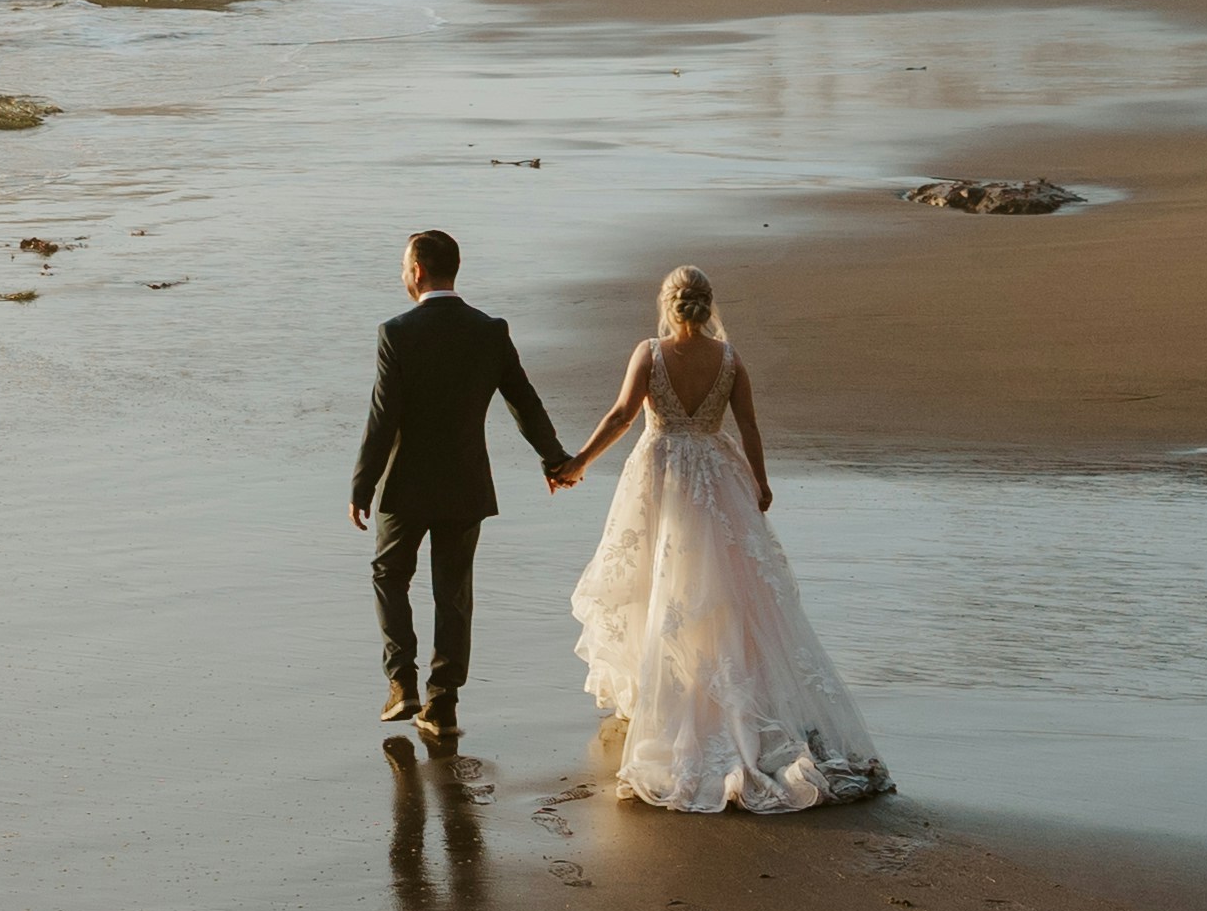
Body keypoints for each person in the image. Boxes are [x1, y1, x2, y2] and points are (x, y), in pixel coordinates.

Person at [553, 265, 893, 813]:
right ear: (708, 306)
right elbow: (749, 427)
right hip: (717, 474)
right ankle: (718, 694)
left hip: (661, 474)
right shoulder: (730, 359)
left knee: (661, 581)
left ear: (667, 303)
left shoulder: (650, 352)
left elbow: (620, 415)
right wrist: (759, 481)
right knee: (724, 590)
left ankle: (669, 699)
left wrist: (578, 463)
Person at [346, 228, 573, 735]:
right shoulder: (489, 331)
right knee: (453, 593)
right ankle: (443, 702)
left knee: (389, 576)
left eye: (404, 266)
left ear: (418, 271)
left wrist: (362, 487)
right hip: (466, 485)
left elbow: (383, 420)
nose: (403, 275)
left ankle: (401, 681)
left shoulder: (396, 333)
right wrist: (554, 459)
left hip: (405, 488)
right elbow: (525, 402)